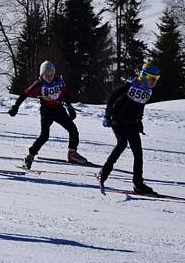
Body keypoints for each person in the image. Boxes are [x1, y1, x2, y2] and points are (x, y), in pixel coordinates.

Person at [9, 61, 89, 169]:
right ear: (42, 74)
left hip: (59, 110)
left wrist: (70, 108)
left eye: (51, 74)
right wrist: (16, 106)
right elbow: (25, 93)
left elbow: (65, 93)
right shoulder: (39, 84)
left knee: (73, 130)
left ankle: (72, 154)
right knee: (44, 136)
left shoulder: (59, 81)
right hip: (46, 112)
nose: (50, 77)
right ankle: (29, 156)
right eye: (47, 75)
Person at [97, 62, 161, 196]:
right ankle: (104, 172)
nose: (152, 82)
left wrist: (139, 120)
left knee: (138, 152)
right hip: (118, 120)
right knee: (121, 144)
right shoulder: (131, 85)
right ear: (143, 76)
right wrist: (107, 115)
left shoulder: (147, 91)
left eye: (155, 80)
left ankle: (138, 184)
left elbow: (140, 106)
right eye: (151, 79)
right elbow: (113, 97)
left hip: (131, 123)